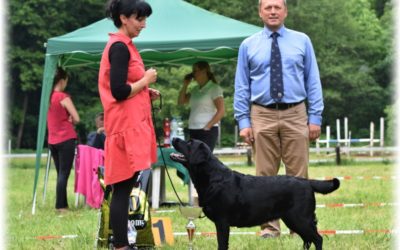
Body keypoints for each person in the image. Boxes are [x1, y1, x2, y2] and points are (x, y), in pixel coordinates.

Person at [234, 0, 323, 238]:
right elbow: (242, 85)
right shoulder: (247, 45)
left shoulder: (302, 41)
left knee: (298, 175)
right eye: (268, 7)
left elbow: (312, 80)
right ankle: (270, 228)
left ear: (285, 11)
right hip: (261, 112)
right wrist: (244, 121)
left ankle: (300, 226)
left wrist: (315, 116)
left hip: (296, 112)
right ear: (260, 12)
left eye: (277, 7)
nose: (273, 11)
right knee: (264, 175)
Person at [99, 0, 159, 249]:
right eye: (139, 18)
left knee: (125, 186)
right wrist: (145, 80)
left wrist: (146, 90)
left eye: (145, 18)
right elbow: (120, 91)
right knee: (122, 189)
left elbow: (126, 87)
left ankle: (123, 243)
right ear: (123, 18)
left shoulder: (125, 46)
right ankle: (121, 245)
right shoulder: (119, 47)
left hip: (130, 125)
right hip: (124, 128)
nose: (143, 24)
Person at [47, 67, 80, 212]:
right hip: (66, 139)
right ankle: (61, 207)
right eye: (66, 81)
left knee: (60, 173)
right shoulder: (62, 97)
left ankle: (63, 204)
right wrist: (71, 119)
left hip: (52, 140)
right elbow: (77, 118)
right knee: (64, 174)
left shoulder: (48, 98)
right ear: (62, 80)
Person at [178, 61, 225, 152]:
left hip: (207, 130)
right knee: (193, 159)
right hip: (193, 129)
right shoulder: (195, 89)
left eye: (195, 71)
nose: (193, 74)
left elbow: (221, 111)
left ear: (204, 71)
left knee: (203, 160)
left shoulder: (214, 88)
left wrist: (208, 127)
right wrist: (185, 85)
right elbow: (181, 101)